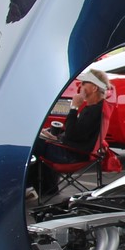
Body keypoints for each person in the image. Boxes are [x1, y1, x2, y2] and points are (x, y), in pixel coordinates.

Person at [34, 68, 109, 196]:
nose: (80, 86)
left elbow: (73, 134)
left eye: (84, 83)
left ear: (94, 88)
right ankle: (47, 188)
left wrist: (74, 107)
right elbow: (77, 135)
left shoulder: (93, 111)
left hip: (73, 156)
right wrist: (55, 137)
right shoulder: (98, 108)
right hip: (76, 150)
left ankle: (40, 187)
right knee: (41, 139)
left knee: (33, 144)